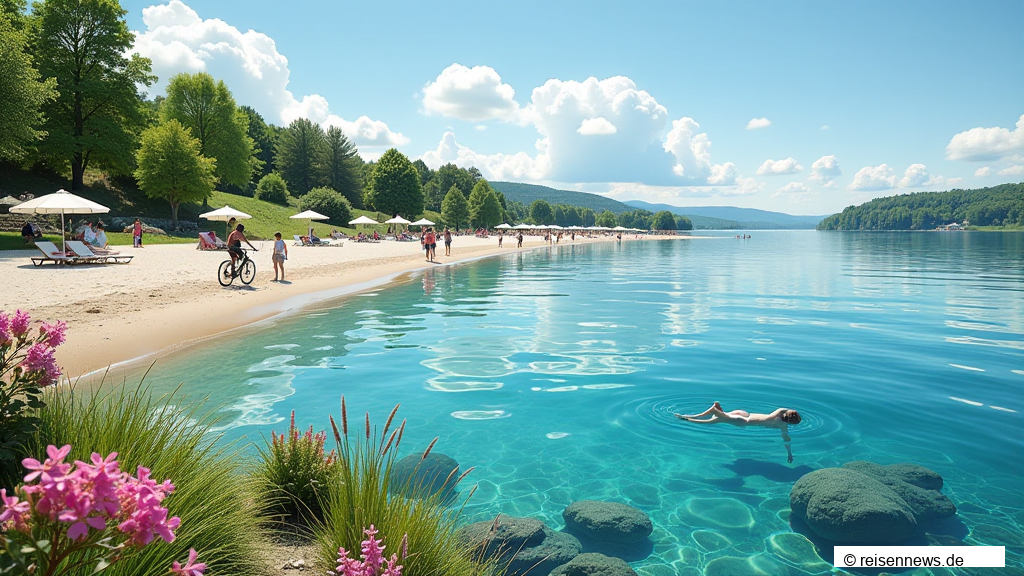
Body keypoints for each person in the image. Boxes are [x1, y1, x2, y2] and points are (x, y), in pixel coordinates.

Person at [675, 401, 802, 463]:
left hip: (744, 413)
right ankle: (712, 411)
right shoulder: (781, 425)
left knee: (713, 421)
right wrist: (789, 454)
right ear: (790, 422)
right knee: (713, 420)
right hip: (743, 421)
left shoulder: (779, 412)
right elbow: (786, 440)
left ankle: (689, 417)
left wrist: (792, 412)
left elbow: (787, 409)